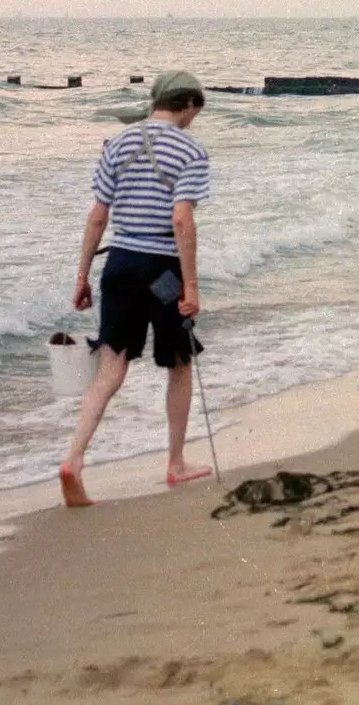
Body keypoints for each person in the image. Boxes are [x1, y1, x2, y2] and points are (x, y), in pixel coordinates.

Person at [59, 71, 212, 507]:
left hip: (119, 266)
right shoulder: (190, 149)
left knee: (110, 371)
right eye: (194, 112)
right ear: (187, 104)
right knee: (179, 362)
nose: (193, 121)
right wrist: (191, 287)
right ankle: (176, 463)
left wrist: (82, 277)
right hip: (162, 272)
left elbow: (96, 218)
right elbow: (182, 220)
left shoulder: (117, 143)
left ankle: (74, 458)